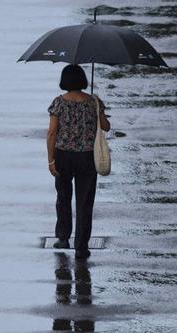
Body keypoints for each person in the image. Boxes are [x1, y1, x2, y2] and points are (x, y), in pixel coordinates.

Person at [46, 64, 110, 259]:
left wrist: (51, 160)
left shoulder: (59, 103)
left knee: (63, 197)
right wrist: (97, 110)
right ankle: (81, 246)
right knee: (84, 202)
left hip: (63, 155)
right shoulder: (94, 102)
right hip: (87, 157)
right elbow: (106, 127)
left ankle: (63, 236)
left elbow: (51, 133)